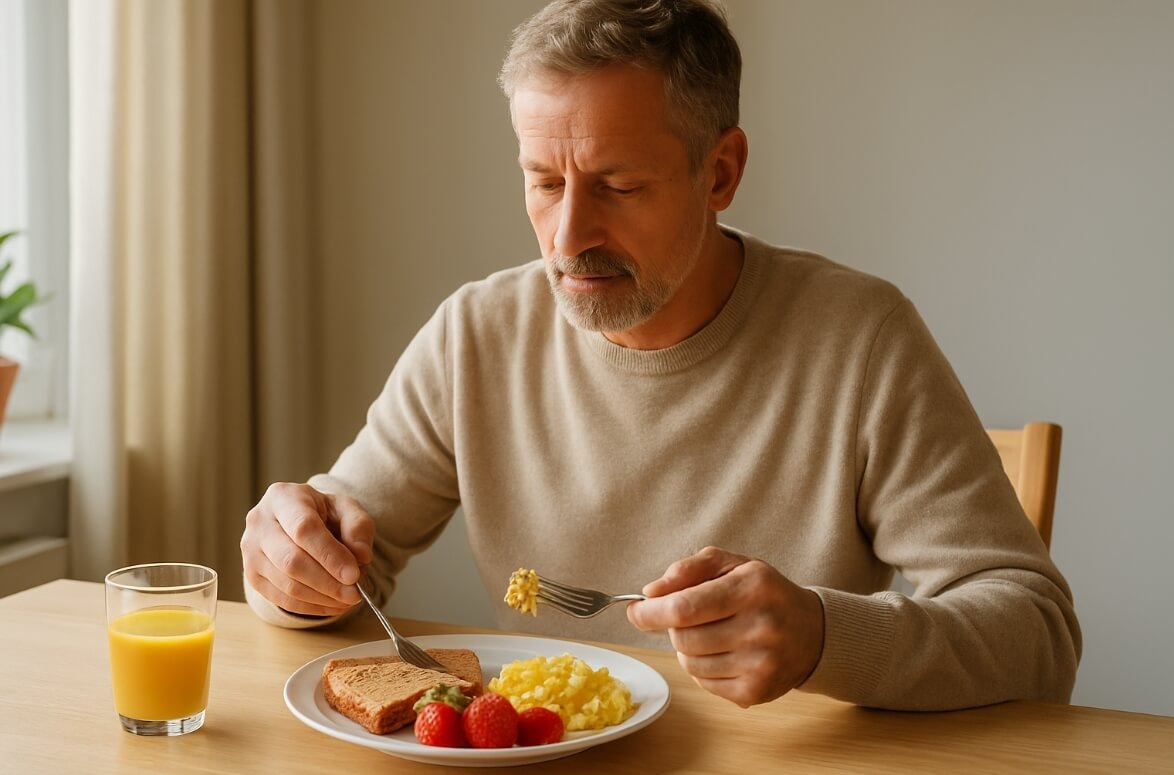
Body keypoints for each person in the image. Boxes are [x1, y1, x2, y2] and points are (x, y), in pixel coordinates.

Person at [240, 0, 1080, 711]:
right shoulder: (476, 335)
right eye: (543, 181)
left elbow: (1038, 630)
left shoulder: (859, 340)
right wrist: (289, 570)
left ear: (720, 173)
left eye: (618, 185)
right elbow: (337, 564)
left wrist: (826, 636)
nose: (568, 238)